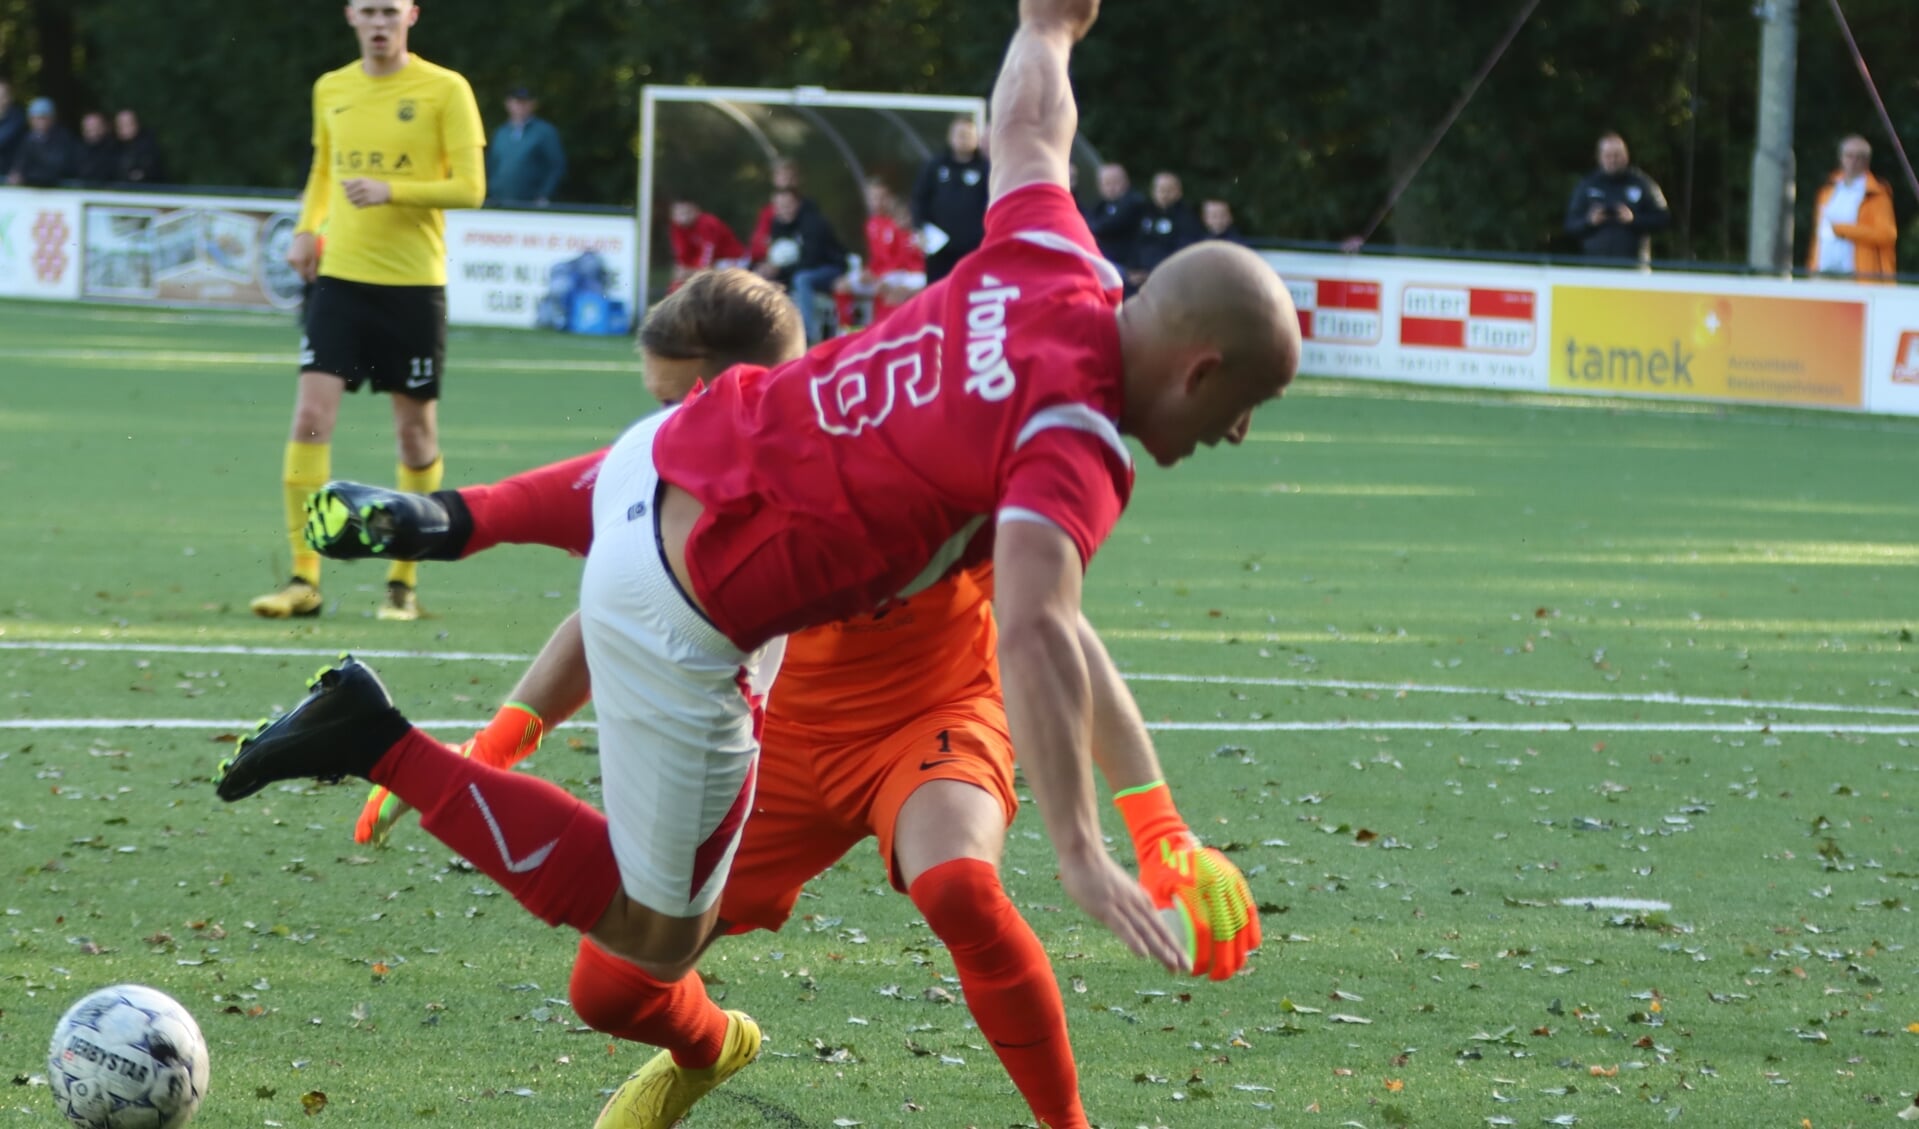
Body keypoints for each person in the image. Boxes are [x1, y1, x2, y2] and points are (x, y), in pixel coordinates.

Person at [215, 0, 1296, 1110]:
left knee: (914, 894)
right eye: (1246, 404)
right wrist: (1084, 845)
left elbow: (1028, 126)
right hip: (705, 629)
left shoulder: (1047, 257)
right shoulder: (1067, 443)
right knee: (633, 934)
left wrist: (1047, 27)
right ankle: (382, 739)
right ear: (1202, 369)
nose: (1234, 433)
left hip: (663, 491)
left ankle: (441, 533)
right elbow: (1037, 627)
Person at [297, 267, 1252, 1127]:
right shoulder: (702, 458)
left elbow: (1056, 630)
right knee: (608, 993)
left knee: (958, 882)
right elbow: (622, 602)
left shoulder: (901, 425)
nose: (659, 425)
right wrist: (502, 739)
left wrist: (1156, 825)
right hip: (770, 742)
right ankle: (711, 1047)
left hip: (933, 716)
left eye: (673, 400)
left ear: (720, 384)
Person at [248, 0, 485, 622]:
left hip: (412, 285)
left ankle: (402, 583)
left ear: (411, 14)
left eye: (389, 10)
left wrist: (392, 190)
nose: (379, 22)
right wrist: (306, 228)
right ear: (350, 17)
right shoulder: (332, 87)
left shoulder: (445, 89)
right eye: (367, 11)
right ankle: (304, 578)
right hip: (341, 279)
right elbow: (325, 167)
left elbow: (471, 187)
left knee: (414, 434)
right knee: (310, 418)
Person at [752, 185, 846, 343]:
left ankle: (806, 335)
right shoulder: (777, 224)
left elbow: (811, 260)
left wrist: (780, 270)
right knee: (761, 278)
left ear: (797, 204)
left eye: (788, 205)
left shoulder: (812, 224)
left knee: (802, 279)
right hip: (796, 269)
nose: (784, 210)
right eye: (780, 206)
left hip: (829, 267)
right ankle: (765, 334)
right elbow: (776, 253)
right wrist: (767, 267)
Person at [1563, 132, 1670, 265]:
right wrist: (1589, 221)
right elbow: (1570, 224)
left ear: (1626, 156)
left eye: (1617, 155)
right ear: (1599, 157)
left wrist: (1634, 219)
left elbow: (1663, 219)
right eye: (1608, 156)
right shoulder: (1586, 185)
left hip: (1634, 268)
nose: (1613, 160)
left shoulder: (1643, 183)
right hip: (1594, 268)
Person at [834, 177, 925, 329]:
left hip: (897, 273)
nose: (877, 201)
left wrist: (877, 275)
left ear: (889, 198)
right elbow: (876, 257)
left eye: (881, 197)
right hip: (882, 272)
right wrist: (868, 270)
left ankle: (880, 331)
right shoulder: (871, 223)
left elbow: (900, 259)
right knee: (840, 285)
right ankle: (848, 330)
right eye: (873, 197)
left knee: (884, 288)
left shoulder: (898, 223)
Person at [910, 114, 991, 281]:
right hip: (940, 249)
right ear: (950, 137)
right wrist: (920, 227)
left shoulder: (985, 169)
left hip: (973, 248)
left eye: (968, 135)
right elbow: (919, 199)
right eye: (960, 135)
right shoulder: (935, 166)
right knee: (938, 294)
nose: (964, 139)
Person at [1808, 134, 1897, 280]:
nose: (1854, 161)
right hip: (1822, 271)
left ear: (1867, 161)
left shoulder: (1876, 194)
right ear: (1841, 158)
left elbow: (1887, 234)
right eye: (1849, 156)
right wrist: (1812, 267)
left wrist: (1844, 230)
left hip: (1857, 275)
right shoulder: (1827, 190)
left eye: (1859, 157)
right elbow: (1819, 234)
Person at [485, 86, 565, 206]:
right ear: (508, 104)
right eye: (517, 102)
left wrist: (545, 195)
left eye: (525, 102)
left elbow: (556, 165)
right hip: (500, 201)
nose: (521, 106)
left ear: (533, 104)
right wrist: (491, 193)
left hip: (531, 203)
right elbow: (492, 164)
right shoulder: (501, 132)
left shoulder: (544, 132)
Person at [1129, 170, 1204, 288]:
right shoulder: (1144, 213)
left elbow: (1184, 251)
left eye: (1169, 190)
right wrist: (1132, 270)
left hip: (1170, 278)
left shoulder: (1186, 218)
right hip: (1139, 276)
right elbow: (1136, 243)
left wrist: (1155, 273)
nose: (1164, 194)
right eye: (1160, 189)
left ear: (1179, 192)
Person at [665, 197, 747, 289]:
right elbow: (682, 254)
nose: (683, 217)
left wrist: (691, 272)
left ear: (696, 210)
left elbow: (707, 257)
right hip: (708, 263)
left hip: (731, 259)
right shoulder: (677, 228)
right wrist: (682, 270)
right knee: (678, 281)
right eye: (678, 213)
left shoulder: (707, 224)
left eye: (687, 212)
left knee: (706, 277)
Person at [1084, 162, 1145, 280]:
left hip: (1125, 265)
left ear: (1126, 182)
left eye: (1115, 182)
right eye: (1106, 184)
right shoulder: (1101, 205)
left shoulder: (1134, 203)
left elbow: (1106, 227)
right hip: (1103, 260)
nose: (1110, 188)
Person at [5, 96, 77, 187]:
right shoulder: (28, 138)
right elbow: (20, 164)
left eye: (43, 117)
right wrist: (16, 173)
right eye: (35, 118)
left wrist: (25, 176)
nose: (39, 121)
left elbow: (56, 169)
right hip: (31, 193)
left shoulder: (63, 138)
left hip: (58, 192)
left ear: (52, 118)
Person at [112, 109, 166, 185]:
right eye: (120, 125)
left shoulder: (148, 147)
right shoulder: (113, 147)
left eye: (128, 124)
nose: (124, 128)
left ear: (136, 124)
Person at [73, 111, 119, 183]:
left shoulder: (115, 148)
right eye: (88, 126)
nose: (92, 129)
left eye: (95, 125)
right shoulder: (76, 148)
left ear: (104, 127)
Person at [0, 81, 28, 177]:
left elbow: (3, 139)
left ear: (9, 98)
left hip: (12, 173)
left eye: (2, 95)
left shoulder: (17, 117)